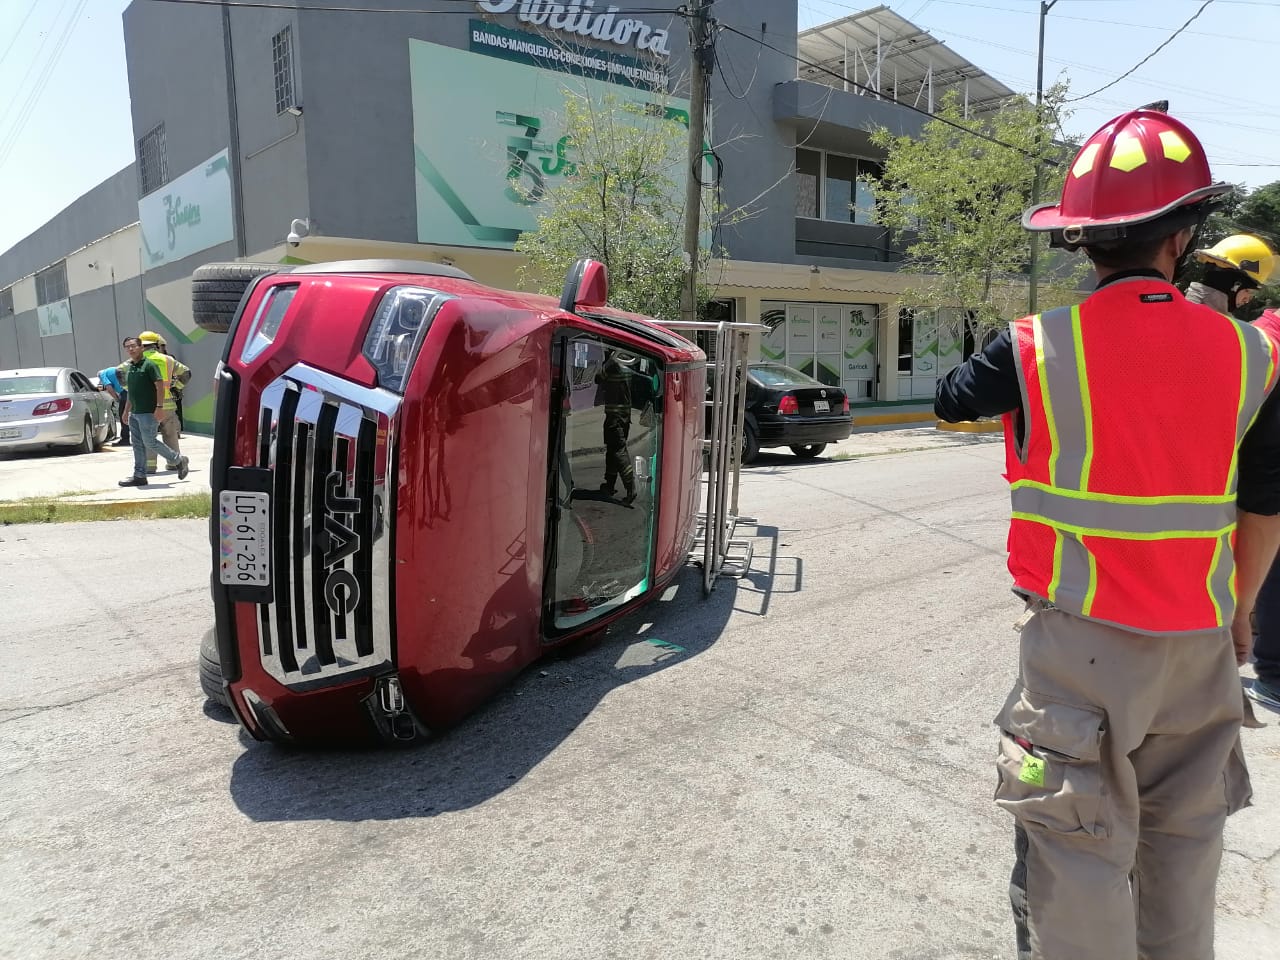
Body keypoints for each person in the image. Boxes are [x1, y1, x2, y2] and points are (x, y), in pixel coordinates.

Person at [935, 107, 1280, 960]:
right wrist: (1240, 617)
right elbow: (1263, 511)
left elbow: (949, 400)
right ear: (1186, 231)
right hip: (1199, 646)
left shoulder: (1034, 346)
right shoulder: (1253, 357)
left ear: (1081, 240)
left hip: (1076, 650)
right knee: (1184, 848)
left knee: (1075, 846)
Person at [118, 335, 189, 487]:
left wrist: (159, 407)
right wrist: (126, 411)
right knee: (137, 444)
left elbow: (160, 387)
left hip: (148, 412)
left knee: (149, 441)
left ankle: (178, 460)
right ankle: (139, 475)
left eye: (133, 346)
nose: (131, 349)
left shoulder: (149, 365)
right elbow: (132, 391)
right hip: (135, 413)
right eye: (127, 347)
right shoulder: (130, 367)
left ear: (142, 347)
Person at [1184, 233, 1277, 317]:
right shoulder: (1223, 328)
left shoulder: (1178, 306)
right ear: (1236, 285)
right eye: (1248, 291)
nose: (1247, 300)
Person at [138, 330, 189, 470]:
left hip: (146, 406)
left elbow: (120, 373)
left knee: (148, 437)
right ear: (156, 344)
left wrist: (130, 390)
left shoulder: (136, 360)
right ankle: (174, 463)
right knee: (170, 435)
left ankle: (150, 466)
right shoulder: (168, 359)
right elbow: (186, 373)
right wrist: (176, 388)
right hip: (167, 404)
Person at [595, 350, 637, 505]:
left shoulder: (613, 364)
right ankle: (610, 485)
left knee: (619, 451)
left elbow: (598, 378)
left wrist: (608, 360)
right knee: (613, 450)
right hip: (625, 417)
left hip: (614, 417)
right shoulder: (628, 363)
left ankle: (630, 487)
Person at [98, 353, 129, 446]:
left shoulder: (102, 374)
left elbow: (109, 387)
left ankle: (125, 439)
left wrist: (116, 398)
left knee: (123, 415)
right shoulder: (111, 370)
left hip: (125, 393)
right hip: (130, 389)